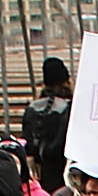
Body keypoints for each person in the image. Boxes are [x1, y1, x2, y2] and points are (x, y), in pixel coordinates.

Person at [21, 56, 72, 187]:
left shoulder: (32, 108)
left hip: (39, 174)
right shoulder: (70, 108)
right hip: (63, 171)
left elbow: (27, 140)